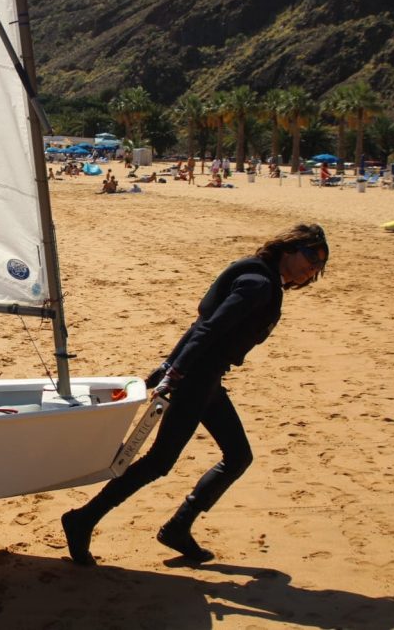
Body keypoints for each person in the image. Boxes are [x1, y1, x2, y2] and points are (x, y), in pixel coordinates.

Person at [61, 224, 329, 566]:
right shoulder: (259, 284)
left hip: (206, 379)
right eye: (311, 257)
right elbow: (209, 328)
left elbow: (200, 324)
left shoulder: (260, 278)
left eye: (320, 265)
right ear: (289, 249)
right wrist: (174, 371)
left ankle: (177, 527)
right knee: (160, 462)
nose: (314, 268)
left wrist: (169, 365)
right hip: (196, 379)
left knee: (236, 456)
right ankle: (83, 519)